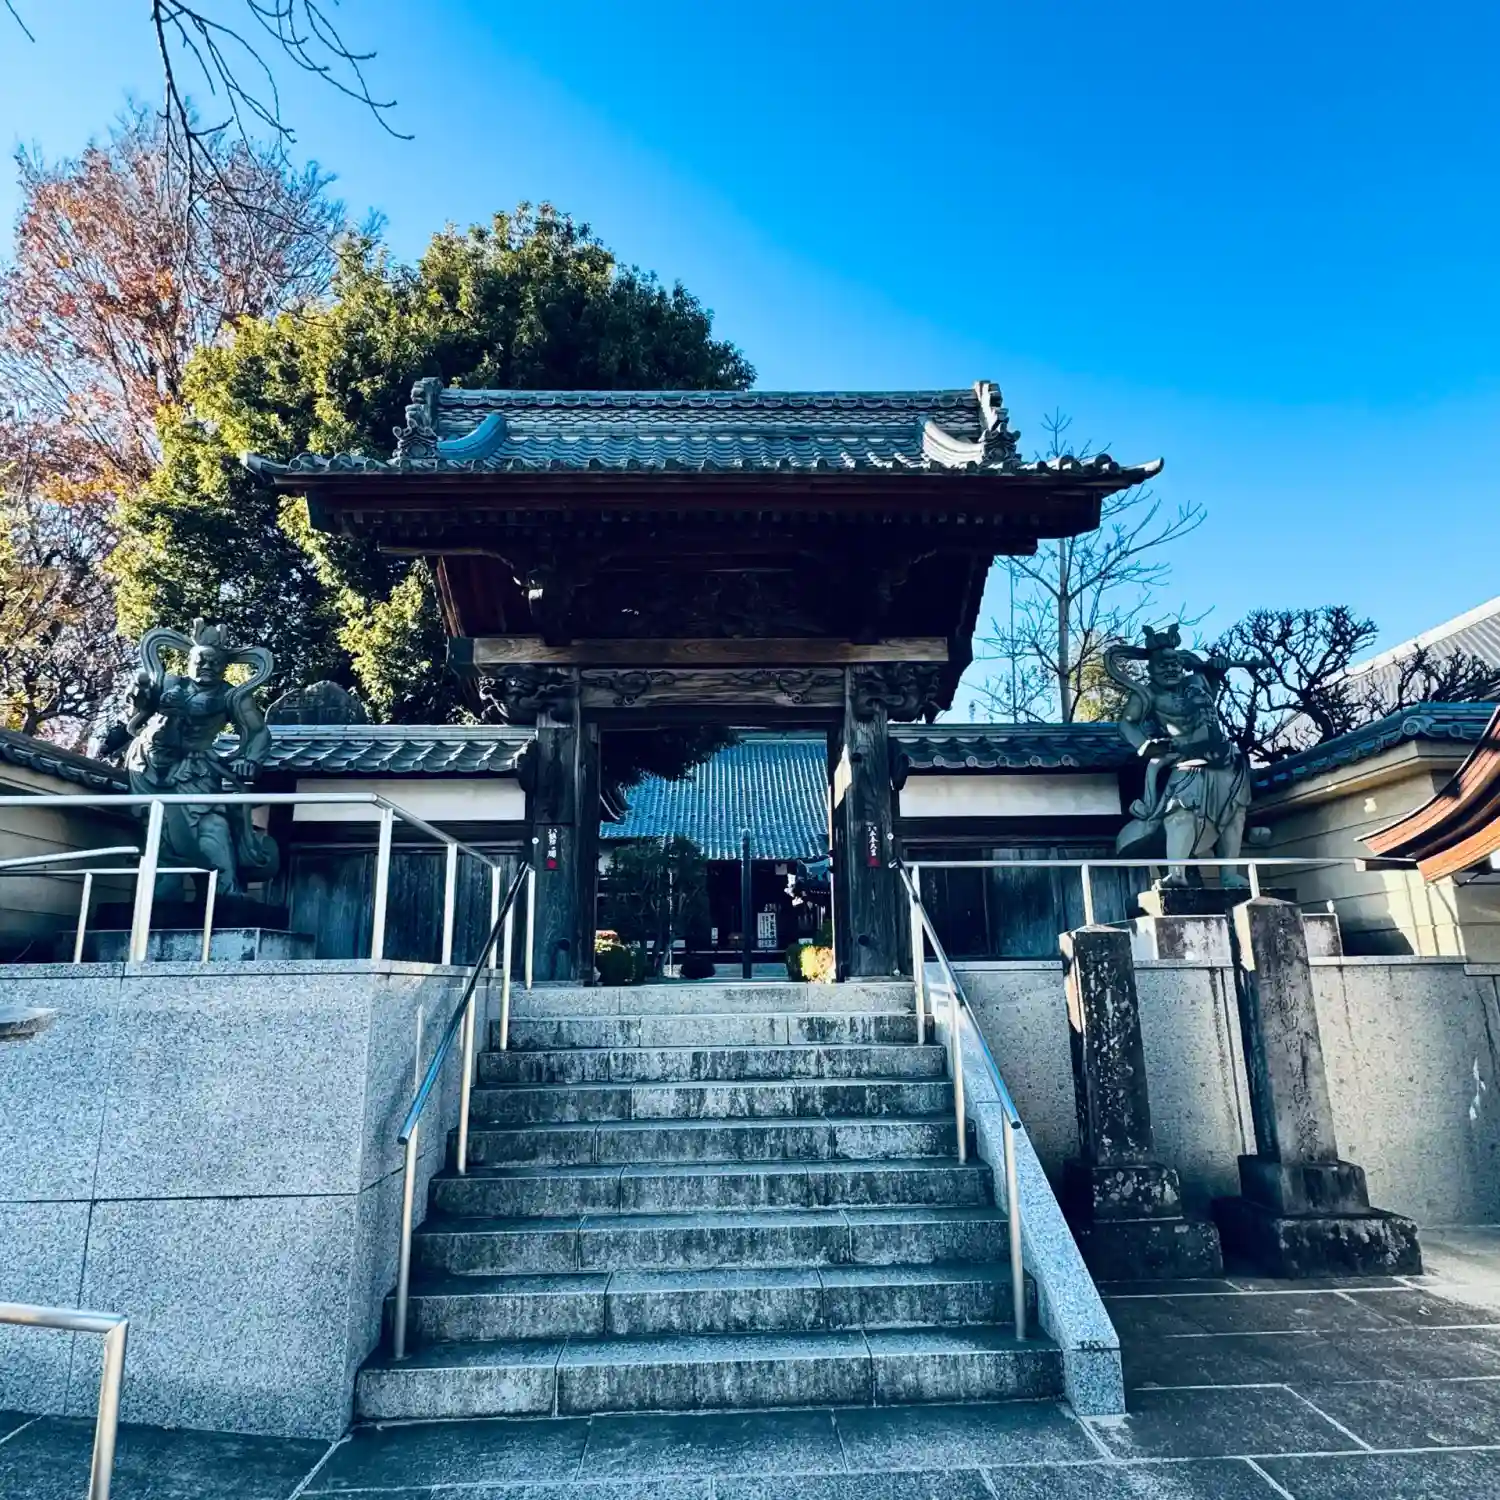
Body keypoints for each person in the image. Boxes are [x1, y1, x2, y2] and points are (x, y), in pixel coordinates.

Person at [122, 620, 279, 897]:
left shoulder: (231, 696)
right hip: (149, 763)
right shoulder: (169, 682)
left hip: (196, 766)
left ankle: (224, 891)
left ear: (224, 667)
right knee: (157, 829)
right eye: (200, 660)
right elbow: (142, 704)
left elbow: (258, 732)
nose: (207, 666)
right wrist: (139, 693)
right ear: (189, 661)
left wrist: (250, 760)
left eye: (215, 662)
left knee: (212, 825)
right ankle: (160, 895)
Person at [1105, 624, 1266, 886]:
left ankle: (1229, 873)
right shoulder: (1148, 695)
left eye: (1174, 664)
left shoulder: (1196, 682)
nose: (1170, 670)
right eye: (1162, 666)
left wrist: (1215, 672)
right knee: (1180, 811)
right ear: (1150, 669)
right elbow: (1127, 724)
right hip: (1187, 760)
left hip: (1226, 759)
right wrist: (1144, 745)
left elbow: (1209, 704)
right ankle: (1177, 873)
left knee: (1235, 813)